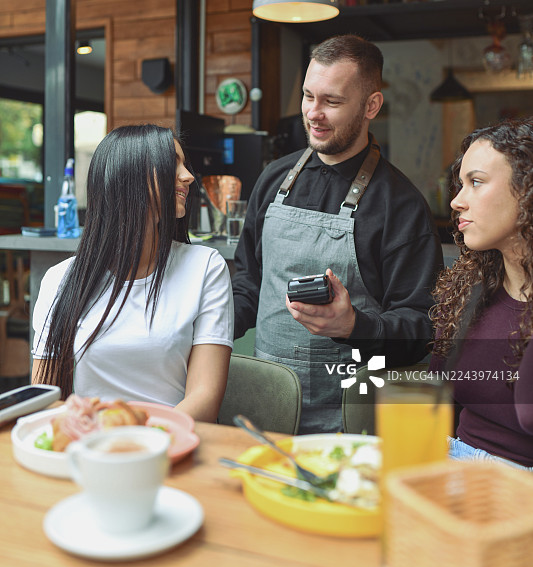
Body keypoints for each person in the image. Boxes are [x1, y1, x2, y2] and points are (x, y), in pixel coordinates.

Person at [232, 34, 443, 433]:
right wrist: (206, 326)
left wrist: (354, 327)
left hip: (349, 420)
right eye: (308, 96)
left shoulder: (400, 205)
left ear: (371, 106)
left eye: (331, 101)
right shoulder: (274, 178)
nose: (314, 113)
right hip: (264, 407)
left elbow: (422, 327)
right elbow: (249, 282)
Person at [32, 124, 234, 423]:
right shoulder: (61, 280)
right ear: (129, 177)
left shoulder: (206, 268)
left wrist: (140, 440)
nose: (189, 176)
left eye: (185, 164)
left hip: (173, 445)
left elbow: (204, 399)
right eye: (172, 163)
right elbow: (45, 397)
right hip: (91, 448)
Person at [430, 118, 533, 468]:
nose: (457, 201)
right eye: (461, 185)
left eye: (476, 182)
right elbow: (438, 399)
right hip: (452, 463)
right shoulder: (470, 290)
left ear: (527, 191)